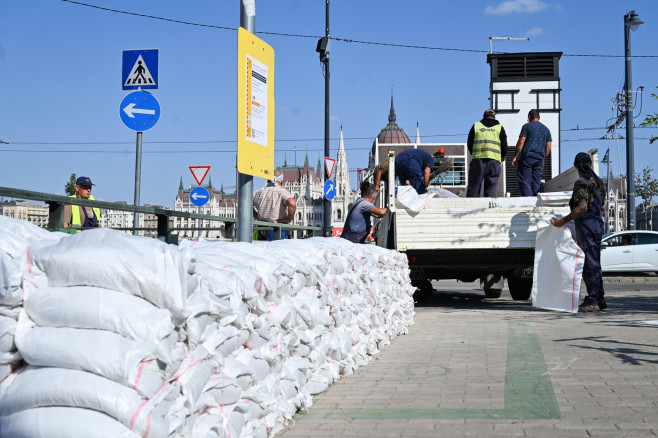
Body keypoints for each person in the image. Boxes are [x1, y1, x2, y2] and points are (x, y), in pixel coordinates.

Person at [550, 152, 606, 312]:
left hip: (587, 227)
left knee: (589, 264)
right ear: (590, 165)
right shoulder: (599, 182)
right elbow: (602, 206)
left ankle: (593, 301)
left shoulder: (581, 184)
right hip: (597, 225)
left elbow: (581, 208)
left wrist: (563, 221)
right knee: (596, 263)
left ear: (576, 167)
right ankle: (600, 298)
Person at [466, 109, 508, 197]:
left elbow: (470, 142)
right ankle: (489, 208)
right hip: (494, 160)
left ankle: (471, 207)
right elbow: (504, 144)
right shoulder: (499, 127)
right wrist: (503, 156)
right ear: (494, 117)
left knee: (474, 185)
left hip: (478, 160)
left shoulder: (476, 126)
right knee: (491, 187)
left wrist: (474, 153)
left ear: (483, 116)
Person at [373, 148, 453, 195]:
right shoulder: (430, 159)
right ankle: (423, 200)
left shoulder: (420, 161)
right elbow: (426, 172)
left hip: (400, 161)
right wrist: (425, 185)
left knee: (403, 186)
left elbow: (409, 179)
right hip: (409, 160)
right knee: (420, 186)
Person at [511, 109, 552, 196]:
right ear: (539, 117)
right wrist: (543, 156)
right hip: (539, 159)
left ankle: (528, 202)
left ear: (529, 117)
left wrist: (515, 156)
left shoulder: (526, 127)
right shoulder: (546, 130)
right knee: (536, 182)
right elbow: (548, 148)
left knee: (525, 181)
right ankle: (535, 204)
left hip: (527, 158)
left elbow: (521, 142)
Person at [253, 169, 297, 240]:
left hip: (261, 229)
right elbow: (292, 203)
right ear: (282, 180)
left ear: (267, 180)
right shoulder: (282, 192)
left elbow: (246, 204)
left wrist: (256, 215)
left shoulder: (258, 192)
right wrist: (289, 219)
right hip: (278, 230)